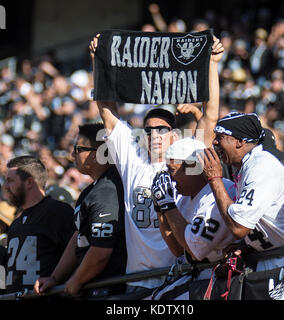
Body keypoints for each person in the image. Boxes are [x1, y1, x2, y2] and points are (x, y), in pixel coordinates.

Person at [89, 33, 224, 297]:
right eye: (149, 131)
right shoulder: (134, 161)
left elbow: (210, 115)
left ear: (175, 135)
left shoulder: (187, 159)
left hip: (181, 275)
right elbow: (106, 109)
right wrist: (99, 61)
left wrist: (212, 64)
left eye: (162, 130)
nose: (155, 135)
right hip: (138, 280)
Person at [34, 123, 126, 299]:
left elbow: (101, 251)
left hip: (110, 289)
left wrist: (76, 279)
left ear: (98, 153)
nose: (72, 155)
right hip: (94, 286)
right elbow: (80, 236)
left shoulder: (108, 189)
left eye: (78, 149)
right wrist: (55, 278)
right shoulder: (91, 190)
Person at [202, 112, 284, 271]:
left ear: (240, 142)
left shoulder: (260, 167)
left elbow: (238, 227)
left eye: (220, 137)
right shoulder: (247, 166)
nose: (214, 142)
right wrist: (247, 245)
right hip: (275, 257)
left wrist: (215, 179)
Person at [150, 138, 237, 300]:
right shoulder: (186, 196)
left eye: (173, 170)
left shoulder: (221, 192)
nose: (170, 178)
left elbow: (195, 249)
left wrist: (168, 205)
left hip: (217, 278)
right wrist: (160, 208)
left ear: (193, 167)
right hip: (196, 275)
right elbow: (177, 250)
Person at [3, 155, 76, 294]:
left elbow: (78, 252)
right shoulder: (16, 224)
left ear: (29, 182)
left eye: (10, 181)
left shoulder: (57, 212)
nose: (5, 187)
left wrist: (55, 278)